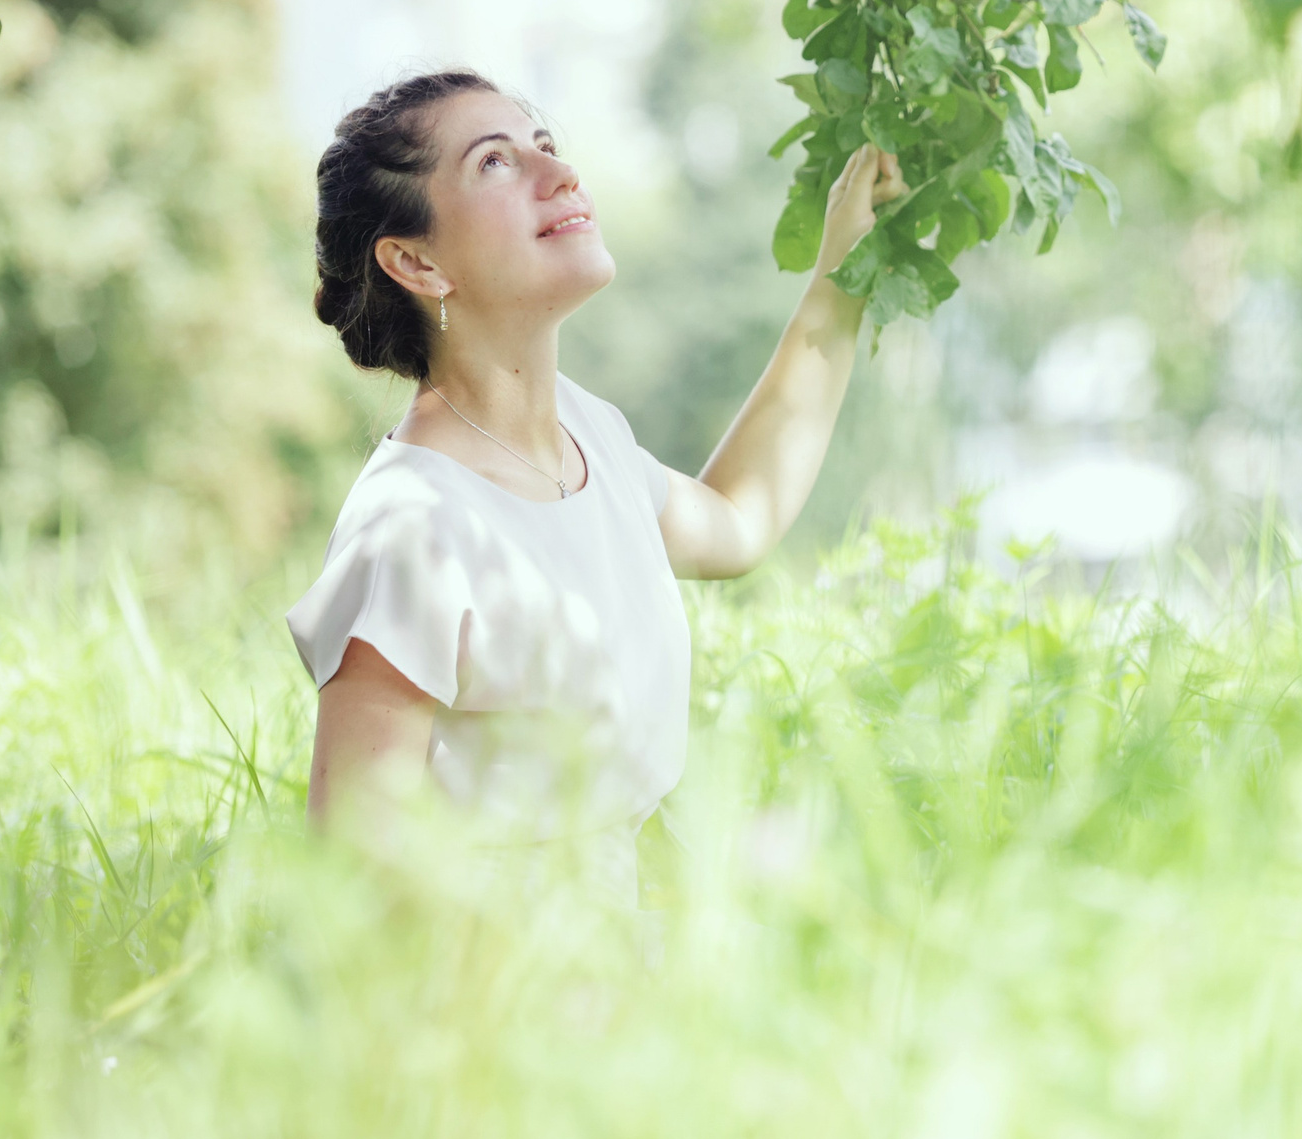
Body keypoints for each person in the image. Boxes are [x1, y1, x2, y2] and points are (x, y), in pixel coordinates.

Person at [285, 67, 903, 902]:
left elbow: (736, 520)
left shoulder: (591, 439)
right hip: (510, 1002)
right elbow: (356, 874)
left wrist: (844, 270)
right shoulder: (412, 529)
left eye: (546, 145)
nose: (560, 172)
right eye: (495, 163)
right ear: (416, 260)